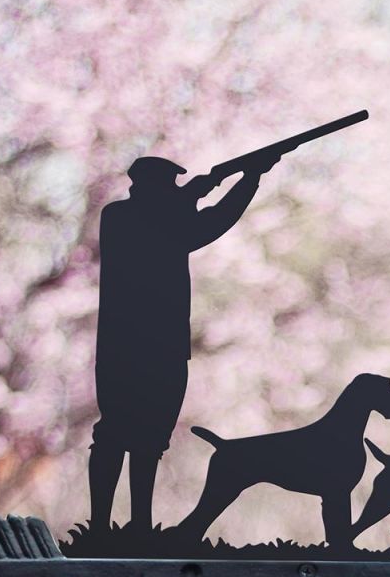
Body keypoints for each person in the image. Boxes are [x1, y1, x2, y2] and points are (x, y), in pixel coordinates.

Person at [88, 151, 278, 534]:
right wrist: (229, 185)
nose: (177, 189)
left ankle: (139, 526)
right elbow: (196, 225)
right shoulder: (121, 217)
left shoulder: (158, 216)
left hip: (156, 346)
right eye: (170, 184)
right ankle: (101, 528)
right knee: (115, 434)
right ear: (151, 186)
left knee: (150, 437)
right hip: (134, 347)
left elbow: (210, 222)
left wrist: (247, 180)